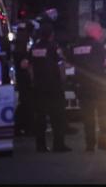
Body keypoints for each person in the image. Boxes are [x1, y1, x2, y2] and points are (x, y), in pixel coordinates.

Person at [70, 21, 106, 152]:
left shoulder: (76, 46)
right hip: (98, 86)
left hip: (82, 86)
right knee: (105, 114)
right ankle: (103, 142)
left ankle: (90, 145)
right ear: (93, 32)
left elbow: (70, 62)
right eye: (99, 31)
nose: (101, 34)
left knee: (88, 117)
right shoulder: (98, 46)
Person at [28, 21, 70, 152]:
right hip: (54, 85)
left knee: (40, 116)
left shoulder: (34, 48)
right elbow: (61, 64)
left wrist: (33, 80)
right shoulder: (54, 47)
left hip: (39, 86)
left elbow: (30, 67)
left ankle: (40, 145)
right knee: (57, 116)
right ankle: (58, 145)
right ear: (51, 34)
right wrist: (63, 79)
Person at [13, 22, 34, 136]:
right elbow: (24, 64)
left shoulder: (20, 44)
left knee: (25, 101)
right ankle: (22, 126)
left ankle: (23, 126)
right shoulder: (21, 46)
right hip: (24, 78)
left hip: (22, 77)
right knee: (26, 101)